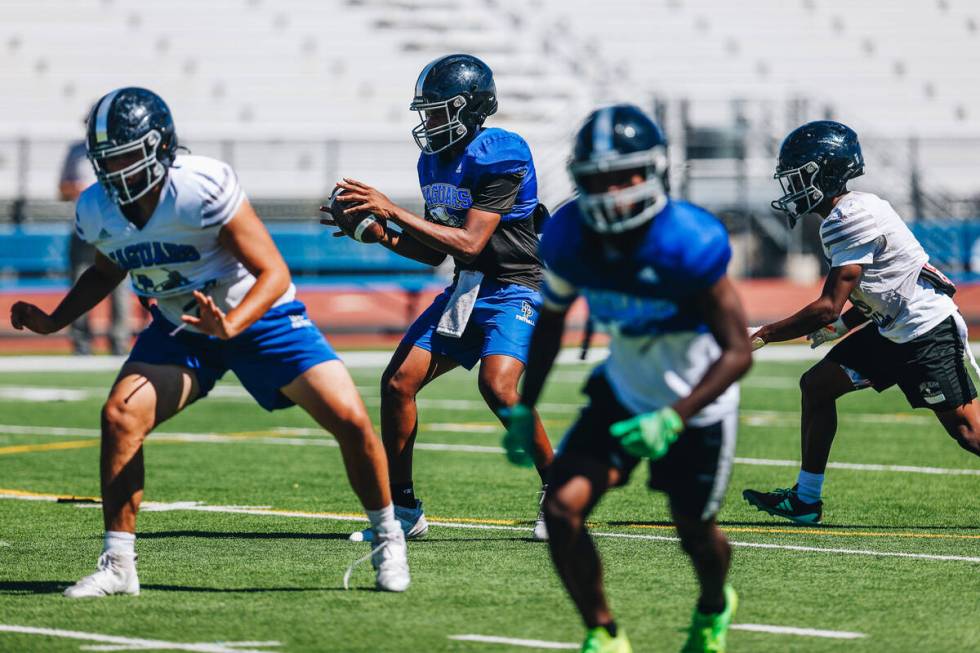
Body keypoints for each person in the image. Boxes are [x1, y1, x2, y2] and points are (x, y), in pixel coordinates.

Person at [10, 87, 410, 596]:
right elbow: (107, 269)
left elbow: (271, 270)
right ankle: (119, 564)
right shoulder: (97, 207)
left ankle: (387, 536)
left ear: (160, 148)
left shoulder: (200, 186)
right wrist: (53, 321)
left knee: (350, 418)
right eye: (106, 162)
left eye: (128, 158)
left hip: (258, 311)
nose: (116, 174)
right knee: (120, 416)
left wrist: (233, 323)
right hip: (181, 322)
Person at [502, 104, 752, 653]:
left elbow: (737, 352)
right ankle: (603, 632)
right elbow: (549, 321)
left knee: (694, 532)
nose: (613, 191)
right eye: (599, 179)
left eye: (625, 176)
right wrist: (526, 406)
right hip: (620, 389)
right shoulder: (569, 235)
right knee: (562, 509)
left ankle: (714, 604)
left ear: (654, 171)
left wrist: (674, 416)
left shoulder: (687, 240)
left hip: (696, 402)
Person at [321, 54, 554, 542]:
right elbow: (433, 252)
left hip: (517, 284)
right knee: (397, 383)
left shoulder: (501, 153)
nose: (428, 122)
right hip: (468, 287)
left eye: (437, 110)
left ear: (469, 109)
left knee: (500, 386)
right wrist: (376, 232)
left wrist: (390, 209)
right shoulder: (433, 159)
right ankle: (403, 509)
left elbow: (470, 241)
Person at [743, 120, 980, 524]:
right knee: (816, 386)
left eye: (799, 176)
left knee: (968, 432)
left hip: (925, 331)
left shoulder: (848, 219)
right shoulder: (852, 210)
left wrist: (763, 334)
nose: (791, 187)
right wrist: (840, 327)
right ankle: (806, 500)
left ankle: (805, 499)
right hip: (894, 326)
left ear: (825, 173)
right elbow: (880, 290)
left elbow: (827, 307)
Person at [60, 134, 133, 355]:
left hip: (116, 226)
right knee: (80, 281)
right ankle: (81, 342)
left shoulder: (123, 149)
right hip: (84, 226)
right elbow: (62, 189)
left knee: (119, 285)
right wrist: (77, 191)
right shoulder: (75, 151)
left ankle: (119, 341)